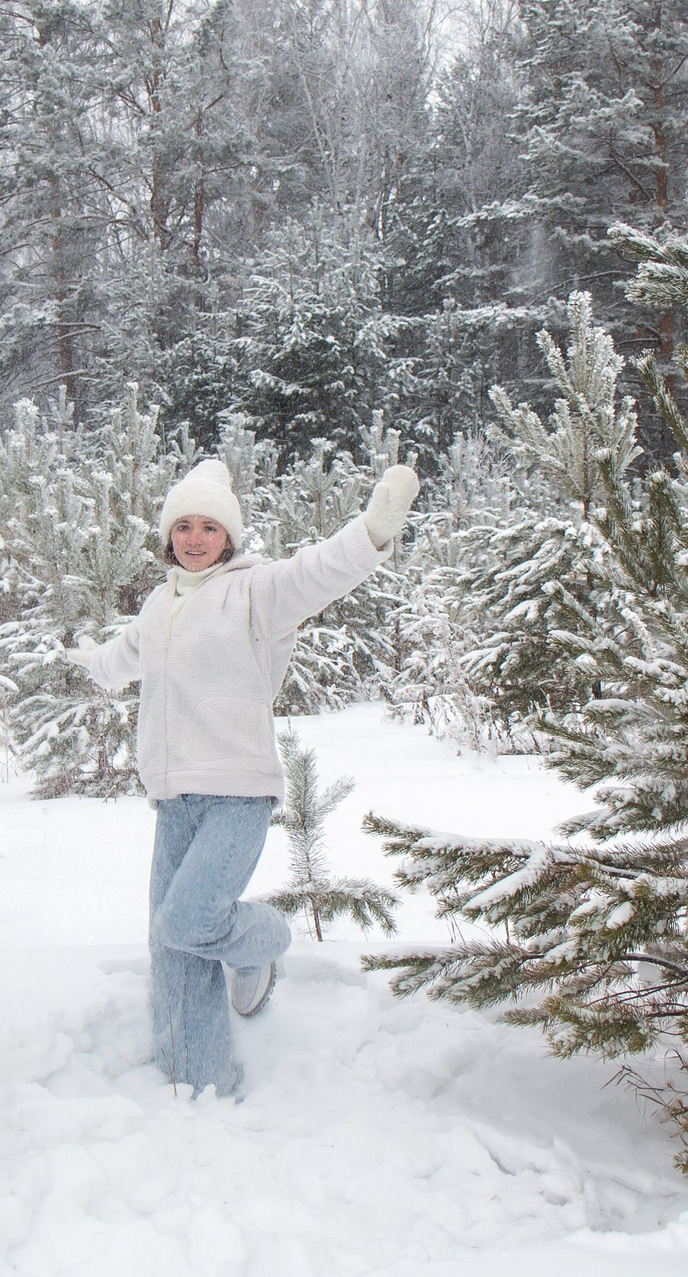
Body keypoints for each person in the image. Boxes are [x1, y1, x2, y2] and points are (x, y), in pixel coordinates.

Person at [74, 456, 420, 1097]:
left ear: (228, 537)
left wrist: (370, 533)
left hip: (237, 793)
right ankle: (194, 1081)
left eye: (210, 526)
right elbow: (122, 656)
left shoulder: (255, 592)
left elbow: (316, 573)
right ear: (169, 535)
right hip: (174, 799)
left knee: (187, 921)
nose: (195, 538)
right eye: (184, 525)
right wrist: (86, 663)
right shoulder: (158, 605)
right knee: (171, 946)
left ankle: (267, 940)